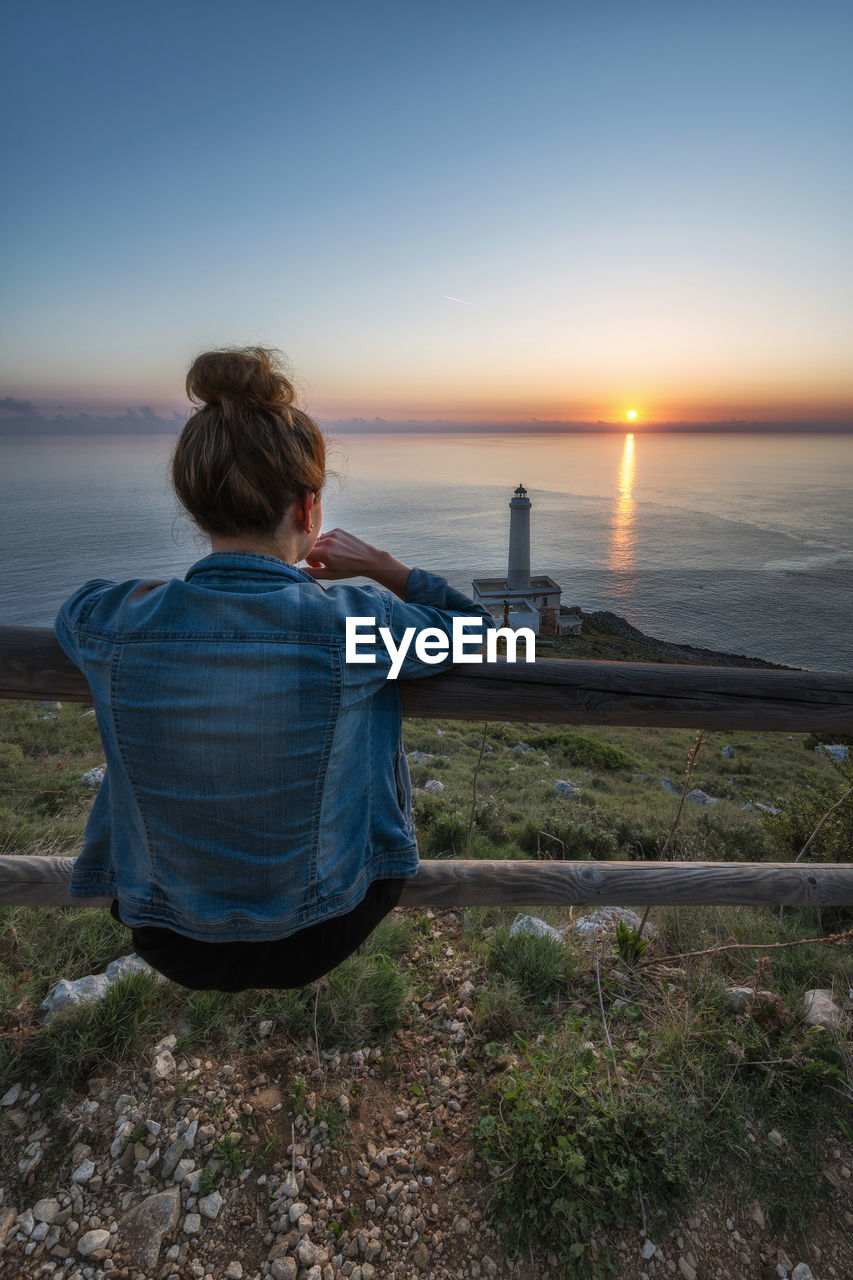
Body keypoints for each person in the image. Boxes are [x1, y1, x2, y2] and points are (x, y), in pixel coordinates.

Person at [54, 346, 496, 992]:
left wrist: (168, 601)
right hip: (321, 927)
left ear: (195, 503)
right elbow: (486, 635)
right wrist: (385, 568)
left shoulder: (113, 620)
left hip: (164, 932)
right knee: (368, 694)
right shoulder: (356, 623)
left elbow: (76, 607)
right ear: (308, 508)